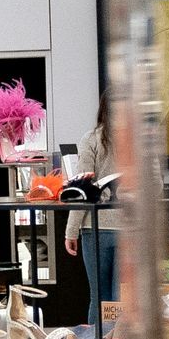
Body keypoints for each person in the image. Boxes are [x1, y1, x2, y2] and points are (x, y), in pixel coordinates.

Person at [64, 98, 120, 325]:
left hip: (95, 227)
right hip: (130, 228)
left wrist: (71, 231)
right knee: (122, 298)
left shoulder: (91, 139)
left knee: (98, 297)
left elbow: (81, 190)